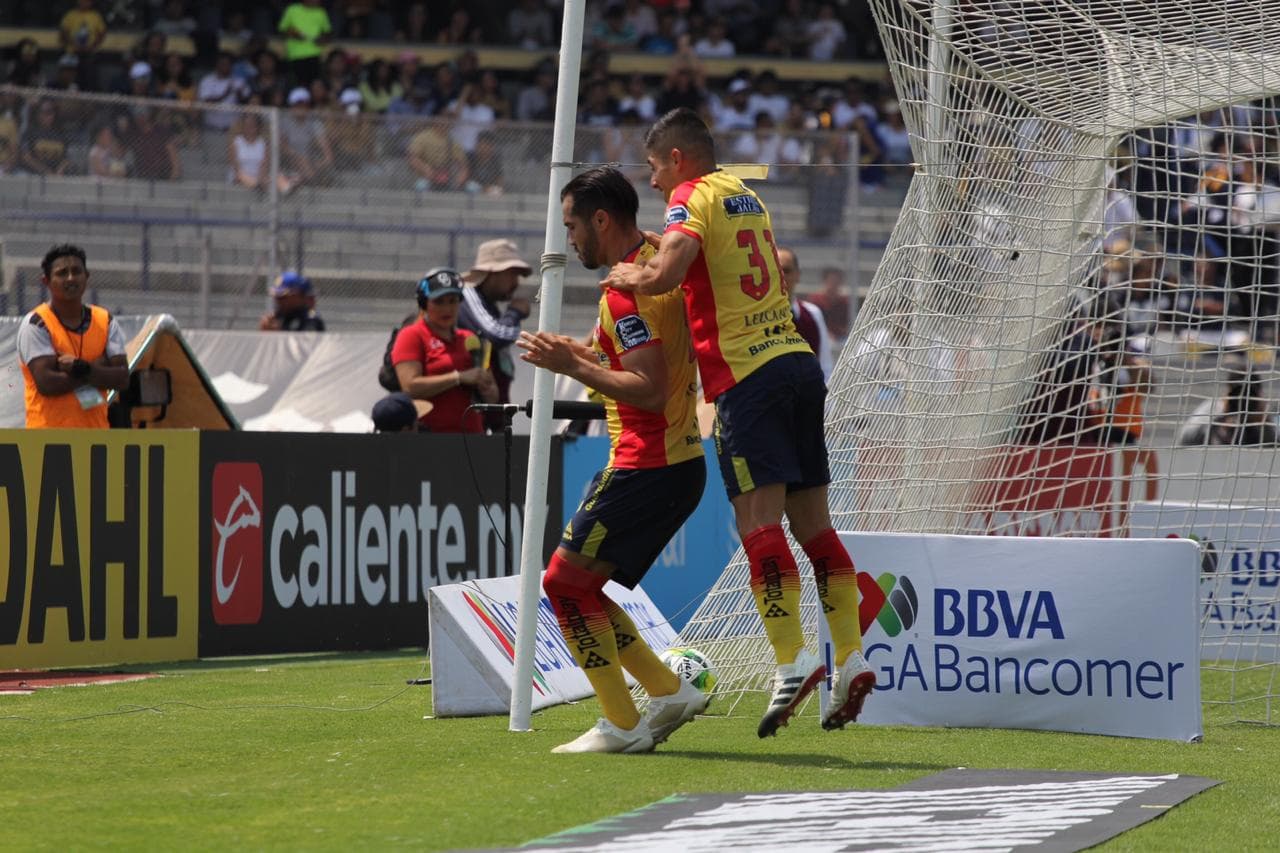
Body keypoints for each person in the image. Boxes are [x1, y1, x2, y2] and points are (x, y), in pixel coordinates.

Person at [604, 107, 875, 738]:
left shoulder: (690, 196)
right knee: (815, 527)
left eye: (651, 168)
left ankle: (793, 659)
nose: (650, 183)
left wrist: (631, 274)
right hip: (799, 367)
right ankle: (852, 657)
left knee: (756, 523)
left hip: (748, 379)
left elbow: (668, 270)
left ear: (676, 159)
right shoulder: (746, 196)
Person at [516, 165, 707, 754]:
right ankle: (667, 691)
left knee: (563, 585)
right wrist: (573, 350)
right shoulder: (656, 259)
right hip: (673, 463)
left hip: (647, 461)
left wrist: (572, 367)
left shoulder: (628, 291)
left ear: (602, 219)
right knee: (581, 588)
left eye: (573, 225)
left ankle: (623, 724)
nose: (569, 239)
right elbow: (628, 351)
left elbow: (647, 385)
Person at [17, 244, 129, 429]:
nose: (70, 278)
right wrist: (97, 370)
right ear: (46, 281)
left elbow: (122, 378)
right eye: (62, 273)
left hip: (96, 439)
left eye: (76, 271)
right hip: (47, 441)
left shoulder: (105, 320)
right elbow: (47, 383)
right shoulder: (37, 323)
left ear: (87, 276)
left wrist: (80, 367)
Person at [390, 268, 497, 432]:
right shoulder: (411, 335)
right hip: (431, 439)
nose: (447, 308)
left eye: (453, 300)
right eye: (439, 301)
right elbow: (410, 386)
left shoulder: (470, 338)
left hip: (473, 437)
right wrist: (458, 378)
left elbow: (493, 396)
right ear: (424, 303)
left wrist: (487, 389)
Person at [459, 239, 534, 428]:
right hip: (470, 411)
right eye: (511, 274)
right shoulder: (467, 295)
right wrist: (515, 311)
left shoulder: (488, 305)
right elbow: (498, 335)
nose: (516, 283)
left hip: (488, 409)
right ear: (491, 273)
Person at [778, 247, 834, 379]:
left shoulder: (812, 314)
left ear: (798, 275)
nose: (781, 276)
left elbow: (825, 366)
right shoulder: (755, 318)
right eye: (775, 270)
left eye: (786, 270)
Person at [278, 0, 332, 87]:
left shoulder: (321, 12)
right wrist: (294, 34)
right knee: (297, 86)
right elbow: (282, 30)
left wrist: (322, 39)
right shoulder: (292, 10)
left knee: (314, 85)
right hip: (295, 56)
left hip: (314, 55)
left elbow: (328, 33)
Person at [259, 271, 325, 331]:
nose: (278, 301)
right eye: (277, 297)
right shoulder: (280, 316)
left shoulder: (310, 320)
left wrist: (277, 333)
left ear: (298, 295)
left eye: (283, 297)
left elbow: (306, 343)